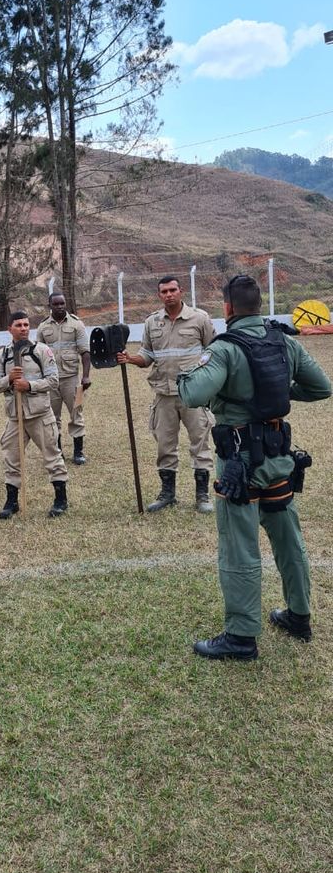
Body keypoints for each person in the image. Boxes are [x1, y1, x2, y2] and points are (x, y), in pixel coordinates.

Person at [177, 274, 331, 661]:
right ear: (259, 305)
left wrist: (185, 374)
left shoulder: (225, 348)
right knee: (289, 539)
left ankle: (241, 636)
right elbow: (321, 387)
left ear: (227, 308)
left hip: (239, 465)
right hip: (278, 458)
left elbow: (194, 393)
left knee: (239, 548)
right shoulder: (284, 341)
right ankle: (299, 616)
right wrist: (277, 392)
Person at [116, 275, 216, 513]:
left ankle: (202, 496)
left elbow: (213, 351)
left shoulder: (199, 318)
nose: (169, 295)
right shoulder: (152, 322)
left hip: (194, 394)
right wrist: (130, 359)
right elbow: (147, 355)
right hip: (164, 393)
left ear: (181, 291)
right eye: (164, 292)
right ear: (159, 295)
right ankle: (167, 494)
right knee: (165, 445)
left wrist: (206, 381)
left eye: (172, 290)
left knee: (200, 443)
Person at [0, 310, 69, 518]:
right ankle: (12, 502)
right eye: (18, 325)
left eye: (26, 325)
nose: (23, 329)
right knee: (11, 458)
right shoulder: (2, 355)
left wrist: (30, 385)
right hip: (15, 416)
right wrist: (9, 379)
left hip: (40, 414)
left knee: (52, 456)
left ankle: (61, 499)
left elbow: (53, 380)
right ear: (9, 329)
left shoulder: (41, 350)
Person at [36, 292, 91, 464]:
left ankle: (78, 452)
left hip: (71, 379)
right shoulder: (43, 327)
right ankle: (57, 452)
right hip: (50, 380)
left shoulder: (76, 324)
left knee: (76, 415)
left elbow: (85, 352)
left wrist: (86, 376)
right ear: (50, 306)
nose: (60, 307)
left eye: (62, 303)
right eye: (56, 304)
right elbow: (38, 355)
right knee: (52, 418)